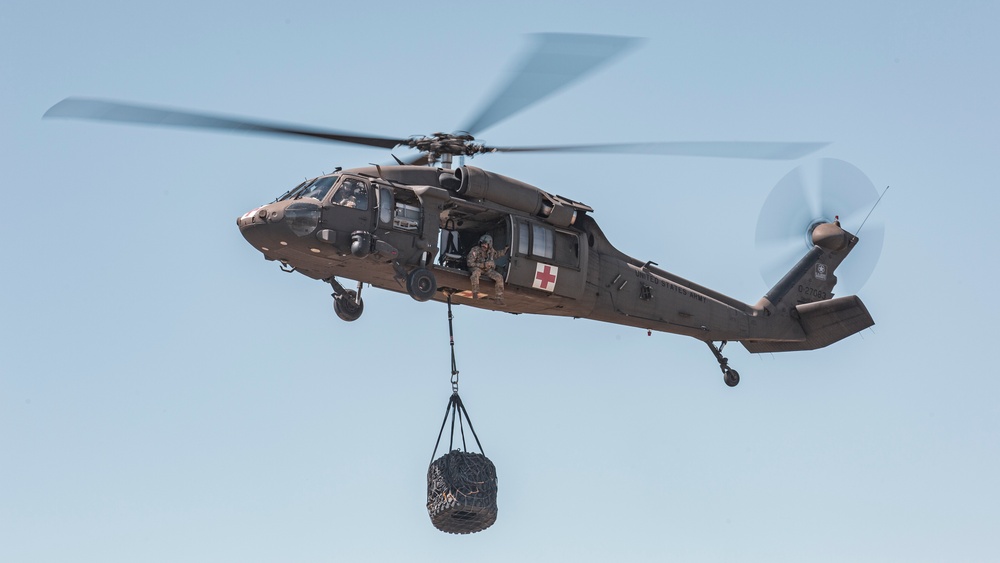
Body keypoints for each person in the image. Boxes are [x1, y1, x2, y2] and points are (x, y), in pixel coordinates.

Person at [467, 234, 506, 304]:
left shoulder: (491, 251)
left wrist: (505, 251)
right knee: (475, 274)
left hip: (487, 270)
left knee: (499, 277)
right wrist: (481, 265)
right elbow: (469, 263)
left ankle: (499, 298)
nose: (483, 246)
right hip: (477, 268)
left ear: (489, 245)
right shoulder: (475, 250)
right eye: (482, 244)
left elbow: (496, 254)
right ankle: (475, 293)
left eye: (485, 244)